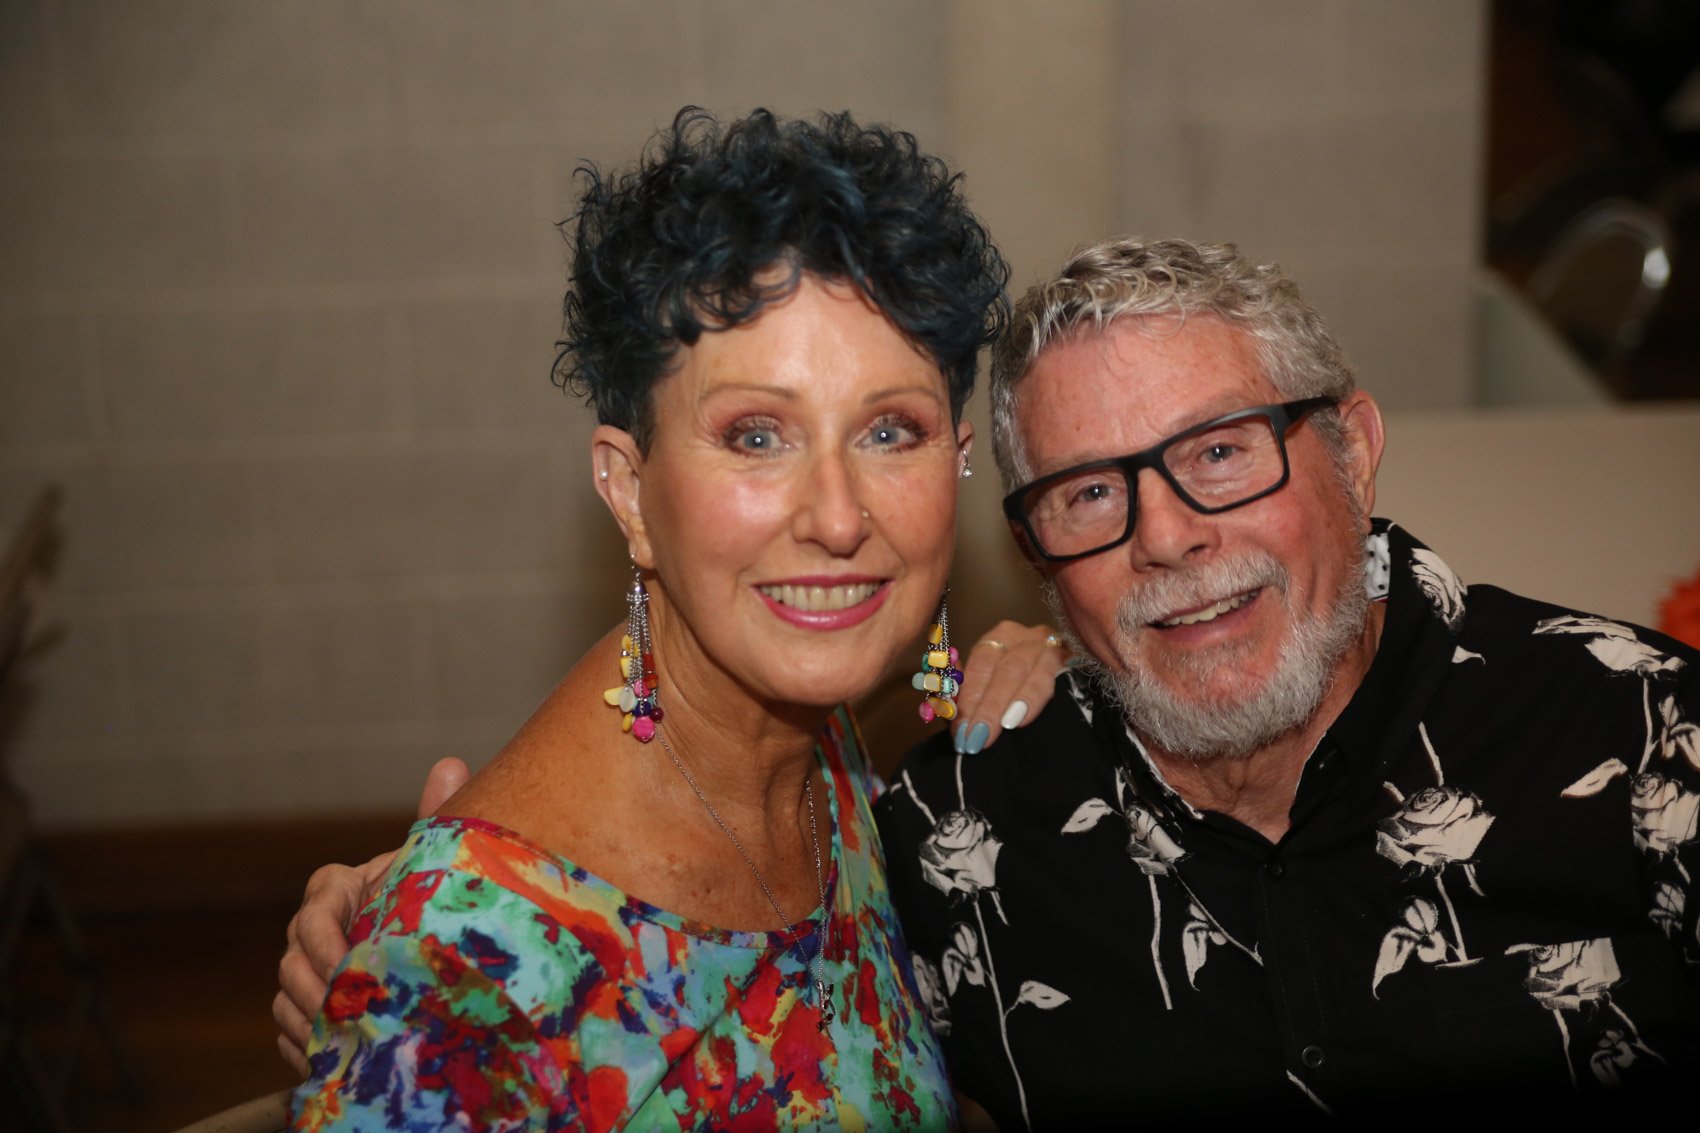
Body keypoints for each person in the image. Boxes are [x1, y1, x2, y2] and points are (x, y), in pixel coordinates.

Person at [281, 107, 1070, 1131]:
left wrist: (1065, 658)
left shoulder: (814, 750)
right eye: (756, 435)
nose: (838, 517)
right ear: (629, 488)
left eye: (889, 430)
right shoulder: (469, 974)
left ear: (957, 458)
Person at [875, 237, 1700, 1125]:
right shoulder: (955, 834)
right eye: (1090, 493)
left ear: (1354, 455)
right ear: (1036, 553)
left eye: (1219, 451)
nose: (1167, 537)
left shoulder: (1650, 734)